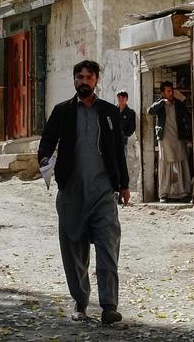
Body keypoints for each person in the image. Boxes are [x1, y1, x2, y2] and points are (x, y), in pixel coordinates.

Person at [37, 60, 130, 325]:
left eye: (89, 77)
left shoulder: (110, 112)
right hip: (71, 192)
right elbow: (46, 143)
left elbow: (117, 152)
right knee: (74, 251)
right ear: (74, 80)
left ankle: (109, 305)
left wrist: (123, 185)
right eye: (79, 77)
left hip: (103, 192)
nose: (84, 81)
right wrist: (45, 161)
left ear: (97, 80)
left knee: (108, 246)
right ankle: (80, 301)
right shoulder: (62, 111)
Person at [148, 81, 192, 202]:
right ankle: (164, 194)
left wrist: (191, 136)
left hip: (179, 138)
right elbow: (150, 111)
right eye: (168, 91)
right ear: (163, 93)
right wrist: (162, 102)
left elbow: (188, 118)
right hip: (165, 139)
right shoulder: (159, 104)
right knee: (165, 166)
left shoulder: (178, 104)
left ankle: (184, 192)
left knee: (182, 164)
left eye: (171, 90)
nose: (171, 93)